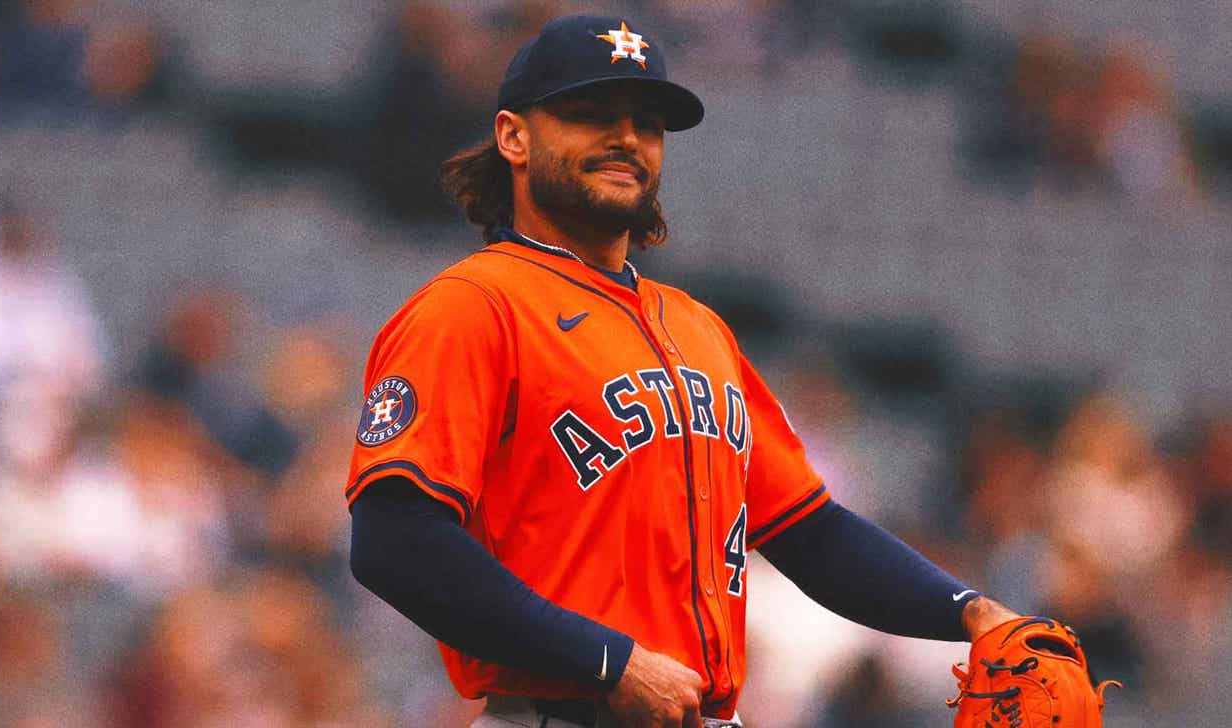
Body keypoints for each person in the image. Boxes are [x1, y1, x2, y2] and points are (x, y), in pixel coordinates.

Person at [346, 14, 1021, 727]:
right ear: (514, 135)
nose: (627, 138)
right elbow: (394, 541)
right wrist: (606, 659)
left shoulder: (697, 327)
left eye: (649, 121)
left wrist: (973, 612)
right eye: (590, 112)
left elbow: (810, 531)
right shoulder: (473, 308)